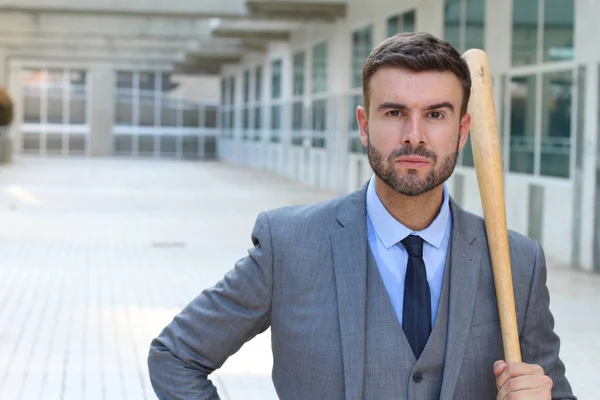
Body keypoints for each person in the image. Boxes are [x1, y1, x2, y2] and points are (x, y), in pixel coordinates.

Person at [147, 32, 575, 400]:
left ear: (463, 130)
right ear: (364, 124)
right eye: (394, 112)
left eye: (435, 115)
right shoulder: (290, 245)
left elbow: (554, 390)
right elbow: (176, 355)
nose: (414, 135)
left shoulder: (518, 262)